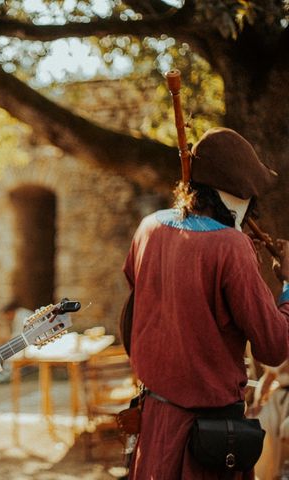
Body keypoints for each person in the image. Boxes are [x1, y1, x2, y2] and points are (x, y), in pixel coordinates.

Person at [122, 127, 289, 479]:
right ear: (235, 198)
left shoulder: (148, 228)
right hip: (206, 442)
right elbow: (274, 347)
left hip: (155, 426)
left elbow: (135, 315)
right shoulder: (231, 246)